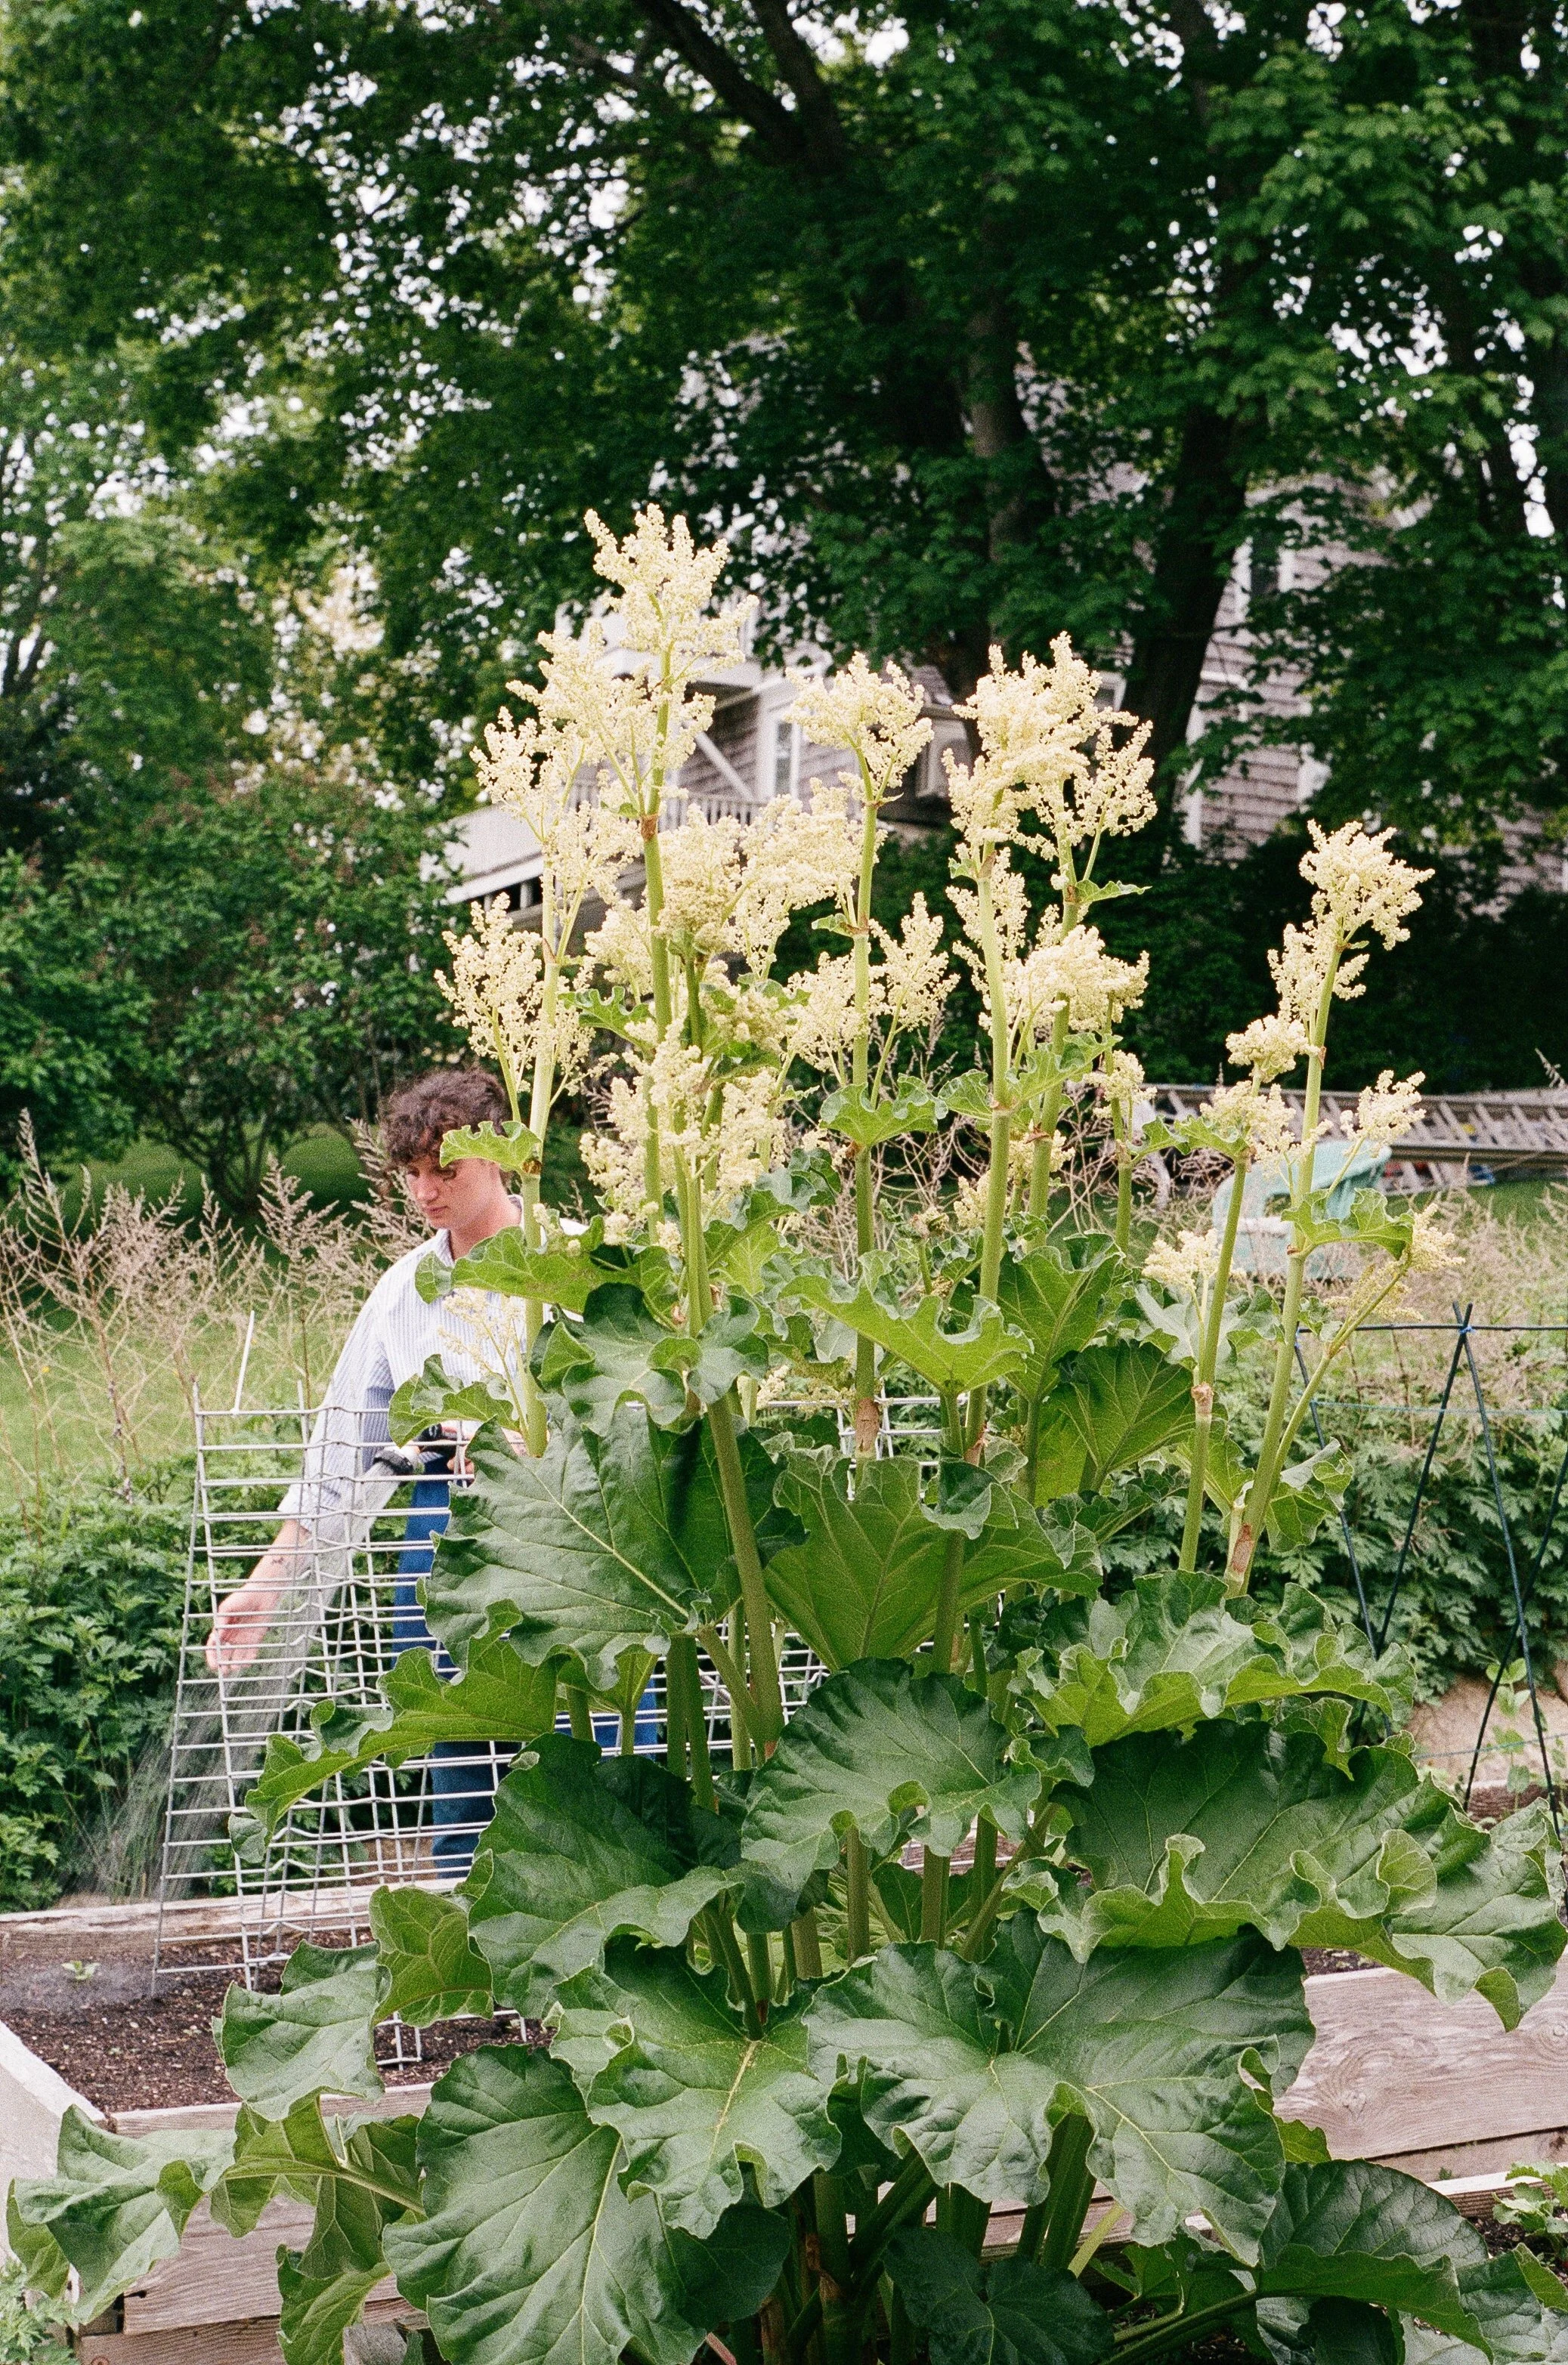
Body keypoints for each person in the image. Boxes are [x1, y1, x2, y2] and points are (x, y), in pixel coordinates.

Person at [207, 1066, 530, 1868]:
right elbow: (339, 1450)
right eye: (413, 1173)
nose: (425, 1192)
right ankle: (482, 1960)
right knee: (459, 1752)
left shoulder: (570, 1267)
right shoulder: (400, 1296)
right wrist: (268, 1584)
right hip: (441, 1539)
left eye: (444, 1170)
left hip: (566, 1537)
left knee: (589, 1746)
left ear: (498, 1153)